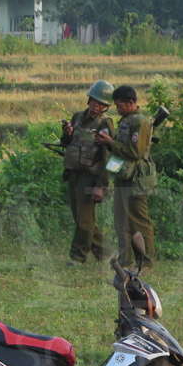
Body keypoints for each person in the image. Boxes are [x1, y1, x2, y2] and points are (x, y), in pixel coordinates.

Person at [96, 85, 156, 270]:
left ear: (131, 103)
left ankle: (146, 261)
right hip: (123, 175)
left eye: (120, 105)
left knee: (139, 221)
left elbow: (135, 152)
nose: (117, 109)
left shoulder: (140, 123)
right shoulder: (126, 121)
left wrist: (110, 143)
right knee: (120, 221)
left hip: (135, 179)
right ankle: (125, 259)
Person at [59, 80, 114, 264]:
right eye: (94, 102)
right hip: (74, 173)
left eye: (101, 104)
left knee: (84, 220)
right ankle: (107, 253)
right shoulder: (77, 117)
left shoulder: (105, 124)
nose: (96, 106)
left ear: (106, 107)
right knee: (81, 218)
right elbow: (66, 143)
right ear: (89, 99)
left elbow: (108, 156)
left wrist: (101, 185)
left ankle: (78, 256)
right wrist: (67, 133)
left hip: (90, 177)